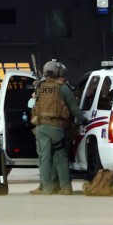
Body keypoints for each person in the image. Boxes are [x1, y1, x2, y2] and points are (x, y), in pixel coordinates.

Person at [30, 60, 86, 195]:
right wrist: (84, 120)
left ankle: (47, 188)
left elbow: (35, 105)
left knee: (44, 158)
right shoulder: (63, 88)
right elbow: (73, 108)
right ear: (59, 72)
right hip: (57, 129)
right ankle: (66, 187)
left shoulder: (39, 87)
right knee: (60, 157)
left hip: (41, 127)